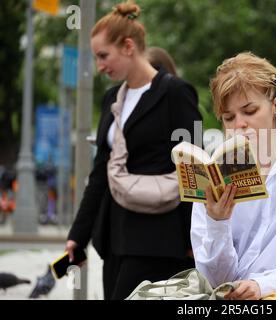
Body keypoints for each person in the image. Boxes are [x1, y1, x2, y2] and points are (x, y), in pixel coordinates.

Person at [65, 1, 202, 300]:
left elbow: (194, 168)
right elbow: (101, 170)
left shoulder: (176, 93)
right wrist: (79, 234)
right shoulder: (112, 98)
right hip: (116, 236)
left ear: (128, 46)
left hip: (160, 238)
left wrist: (195, 238)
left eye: (103, 56)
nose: (99, 66)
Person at [190, 52, 276, 300]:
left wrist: (260, 285)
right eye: (229, 117)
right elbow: (215, 281)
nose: (240, 124)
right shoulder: (213, 175)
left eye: (250, 110)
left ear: (275, 106)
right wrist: (217, 223)